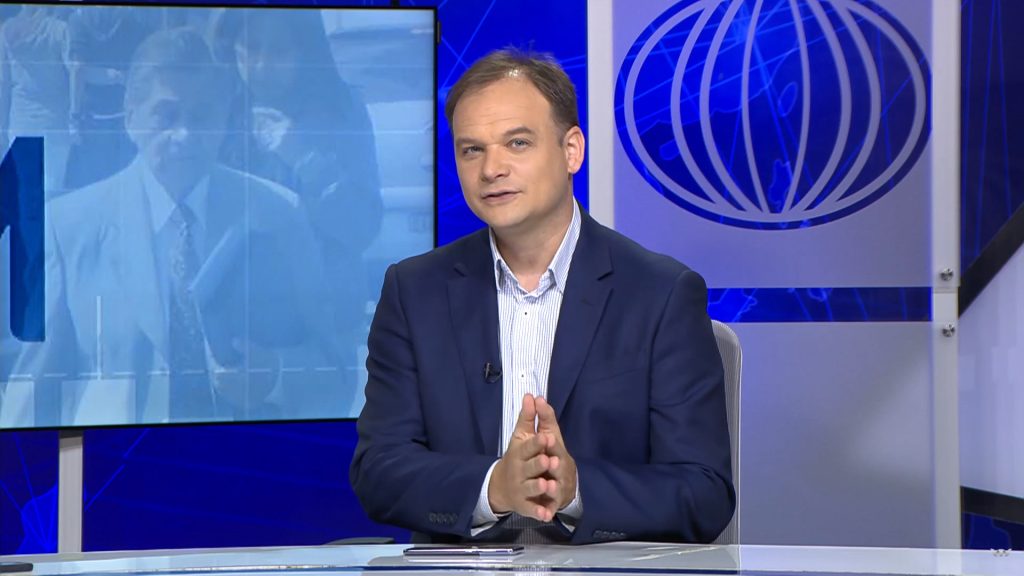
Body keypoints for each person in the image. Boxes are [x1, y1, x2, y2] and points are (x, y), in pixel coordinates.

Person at [350, 49, 734, 544]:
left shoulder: (660, 294)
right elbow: (379, 470)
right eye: (472, 150)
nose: (492, 168)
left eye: (517, 143)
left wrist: (574, 490)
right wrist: (495, 488)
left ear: (572, 150)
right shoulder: (414, 292)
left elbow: (703, 492)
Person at [1, 28, 339, 427]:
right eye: (166, 115)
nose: (184, 134)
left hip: (243, 459)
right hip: (116, 462)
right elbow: (36, 392)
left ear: (224, 120)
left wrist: (276, 377)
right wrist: (49, 465)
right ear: (131, 117)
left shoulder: (280, 214)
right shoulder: (67, 227)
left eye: (201, 116)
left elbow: (335, 365)